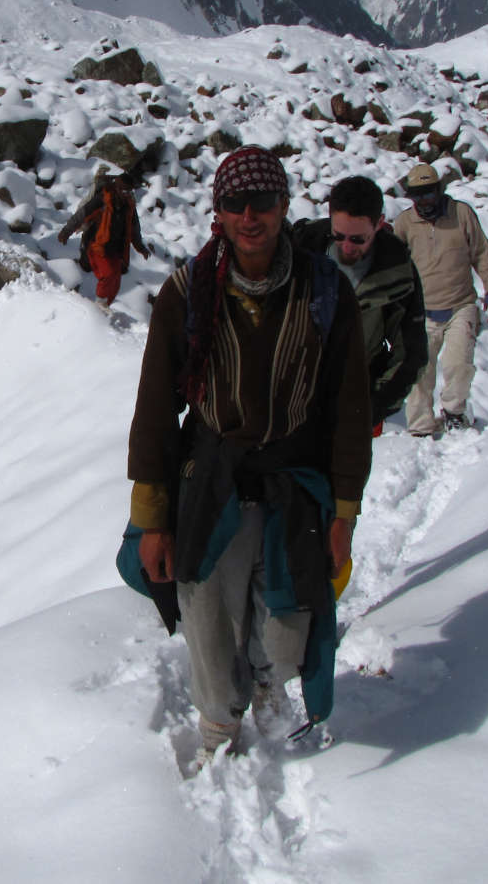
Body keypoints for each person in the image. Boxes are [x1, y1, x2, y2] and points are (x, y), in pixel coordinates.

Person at [123, 147, 372, 761]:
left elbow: (348, 409)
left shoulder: (324, 291)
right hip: (212, 476)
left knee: (287, 620)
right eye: (234, 203)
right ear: (218, 213)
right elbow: (156, 409)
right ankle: (217, 723)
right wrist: (152, 518)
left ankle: (265, 674)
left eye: (262, 201)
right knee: (205, 609)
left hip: (296, 477)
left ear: (285, 207)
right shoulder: (188, 293)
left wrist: (345, 512)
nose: (249, 216)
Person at [294, 175, 428, 435]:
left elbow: (411, 353)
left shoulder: (397, 271)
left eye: (358, 239)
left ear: (379, 224)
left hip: (352, 398)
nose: (346, 246)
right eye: (338, 235)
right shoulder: (302, 246)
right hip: (292, 394)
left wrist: (373, 406)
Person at [391, 163, 488, 436]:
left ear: (439, 190)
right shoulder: (405, 223)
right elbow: (394, 263)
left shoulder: (461, 214)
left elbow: (482, 254)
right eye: (417, 195)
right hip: (422, 310)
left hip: (460, 305)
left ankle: (454, 412)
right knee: (419, 373)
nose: (424, 200)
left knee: (458, 364)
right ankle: (420, 426)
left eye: (428, 193)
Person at [56, 168, 151, 306]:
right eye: (125, 191)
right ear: (117, 188)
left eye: (130, 192)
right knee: (108, 275)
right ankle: (99, 306)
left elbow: (134, 228)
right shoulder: (103, 199)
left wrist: (140, 247)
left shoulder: (129, 205)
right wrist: (66, 231)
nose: (128, 194)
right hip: (97, 245)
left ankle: (105, 306)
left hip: (115, 248)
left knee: (116, 281)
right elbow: (81, 215)